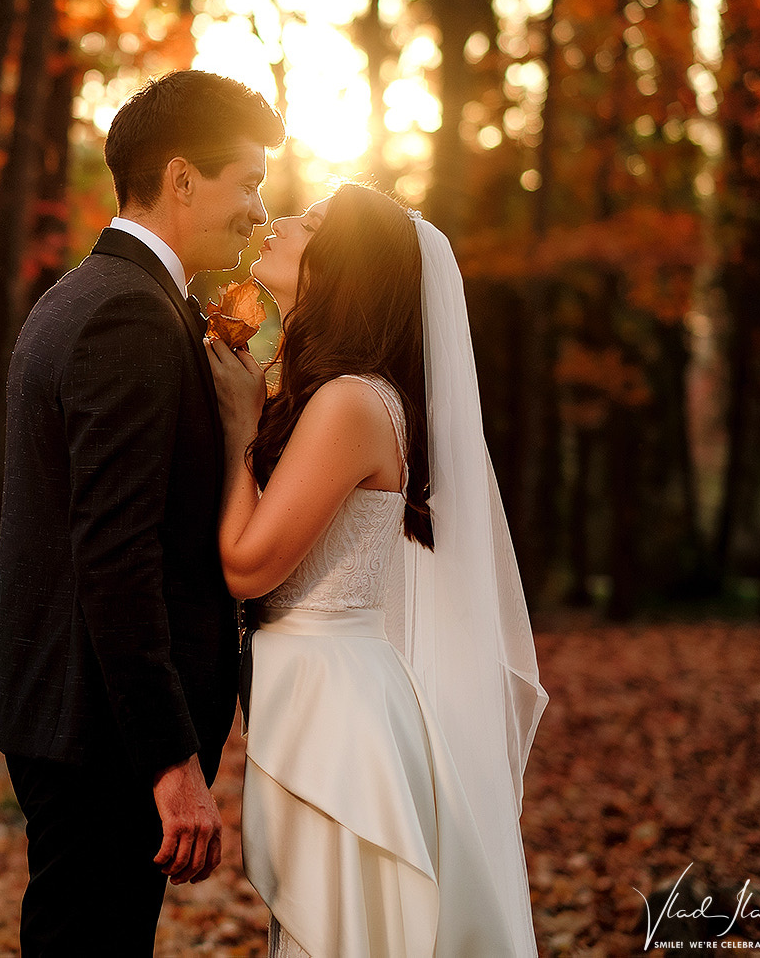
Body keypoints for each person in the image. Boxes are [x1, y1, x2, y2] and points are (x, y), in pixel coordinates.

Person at [0, 69, 285, 956]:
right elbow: (115, 552)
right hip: (102, 731)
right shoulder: (128, 316)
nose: (259, 211)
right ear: (182, 178)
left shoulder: (90, 294)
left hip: (79, 710)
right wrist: (169, 760)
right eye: (247, 183)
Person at [207, 182, 549, 957]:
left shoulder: (352, 402)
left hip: (337, 710)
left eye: (310, 222)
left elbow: (248, 567)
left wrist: (236, 428)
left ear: (346, 267)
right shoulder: (328, 393)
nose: (278, 222)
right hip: (318, 690)